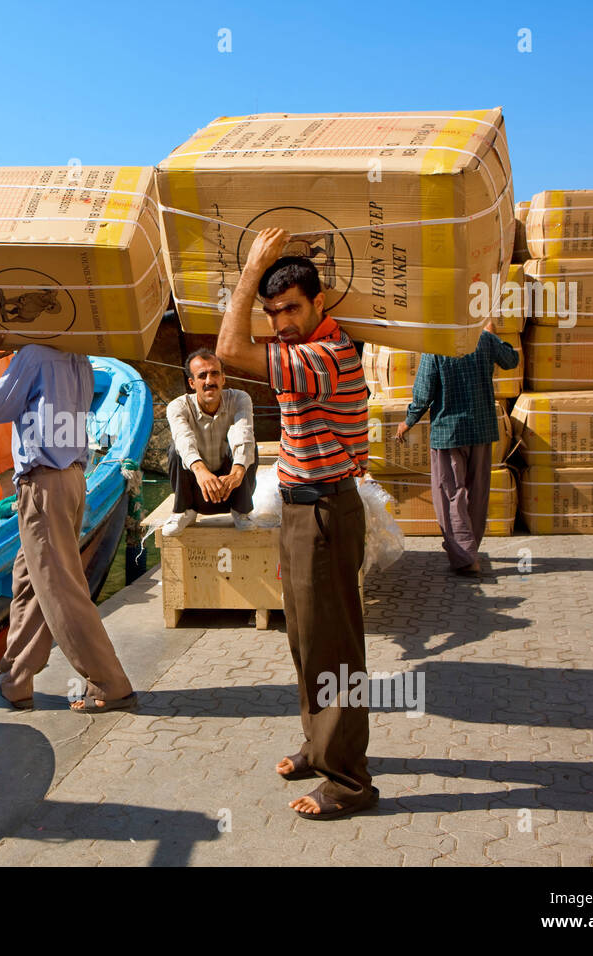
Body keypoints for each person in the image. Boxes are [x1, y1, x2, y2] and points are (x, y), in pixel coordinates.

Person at [215, 228, 376, 820]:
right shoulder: (304, 349)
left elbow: (228, 352)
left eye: (291, 308)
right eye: (272, 311)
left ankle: (348, 783)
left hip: (327, 512)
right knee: (306, 639)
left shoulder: (323, 357)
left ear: (320, 303)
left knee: (334, 649)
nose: (280, 321)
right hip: (304, 507)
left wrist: (252, 267)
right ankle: (318, 744)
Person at [0, 329, 136, 714]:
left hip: (43, 486)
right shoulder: (77, 358)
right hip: (73, 481)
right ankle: (16, 680)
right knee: (30, 581)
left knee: (60, 588)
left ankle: (111, 683)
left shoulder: (32, 355)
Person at [397, 317, 519, 577]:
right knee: (477, 493)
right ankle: (469, 550)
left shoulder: (437, 347)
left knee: (452, 494)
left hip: (448, 433)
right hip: (481, 430)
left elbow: (423, 392)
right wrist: (493, 335)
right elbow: (511, 360)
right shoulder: (484, 339)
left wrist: (408, 421)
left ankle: (465, 557)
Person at [163, 348, 258, 535]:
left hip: (231, 488)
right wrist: (201, 472)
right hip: (199, 491)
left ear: (223, 378)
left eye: (215, 374)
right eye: (202, 376)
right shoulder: (178, 406)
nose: (209, 381)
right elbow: (184, 439)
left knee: (248, 446)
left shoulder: (240, 398)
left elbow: (242, 434)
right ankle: (185, 512)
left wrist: (237, 473)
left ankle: (241, 511)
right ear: (192, 383)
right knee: (175, 450)